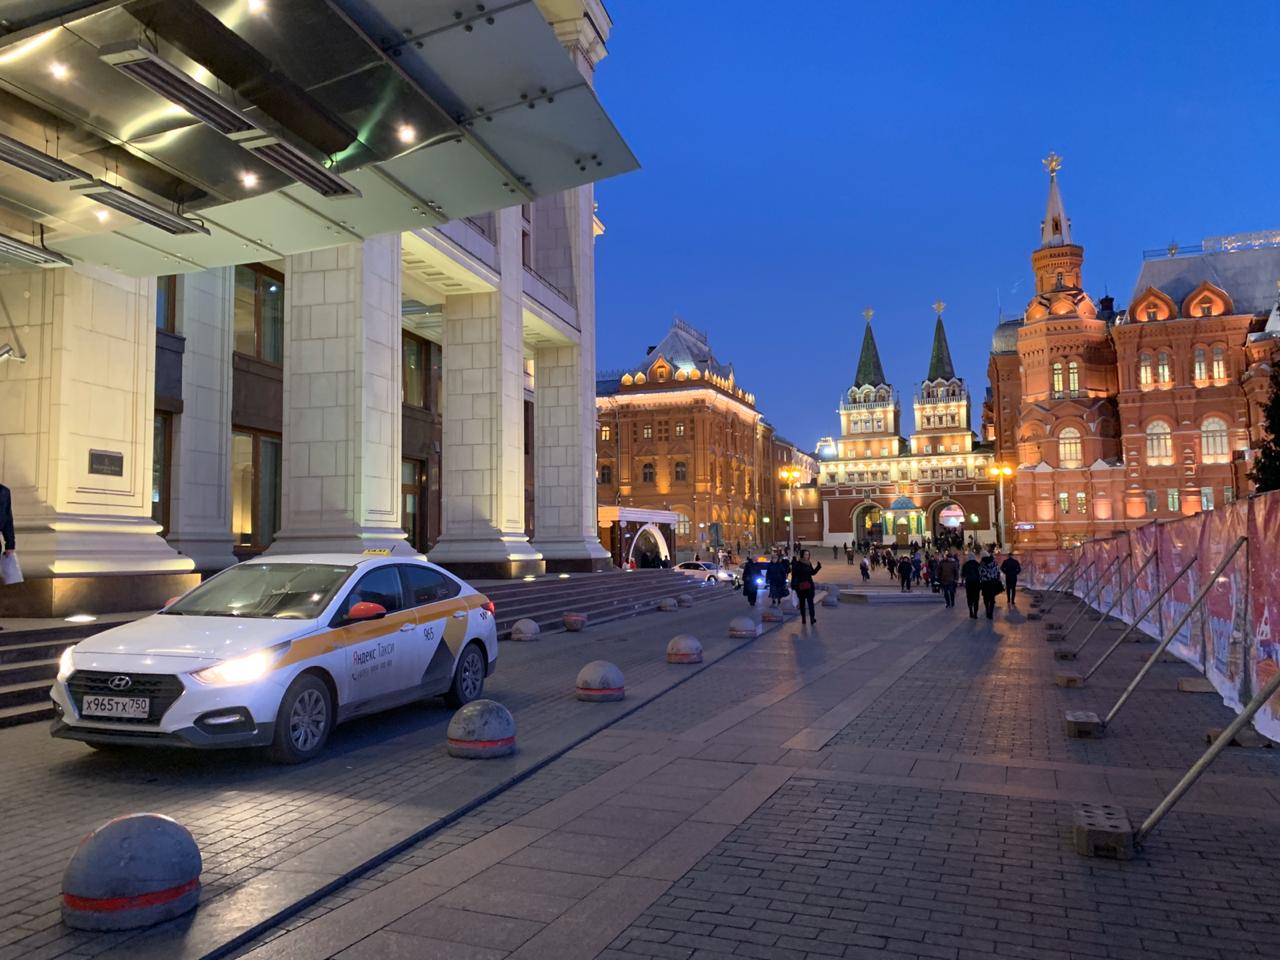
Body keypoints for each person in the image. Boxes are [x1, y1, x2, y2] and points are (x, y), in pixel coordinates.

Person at [791, 549, 822, 625]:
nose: (807, 556)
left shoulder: (809, 563)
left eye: (808, 554)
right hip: (801, 587)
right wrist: (793, 586)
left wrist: (818, 567)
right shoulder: (797, 564)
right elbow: (794, 576)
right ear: (802, 555)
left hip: (809, 586)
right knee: (802, 604)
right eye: (805, 554)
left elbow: (812, 573)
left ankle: (812, 618)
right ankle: (803, 618)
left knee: (811, 603)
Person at [979, 551, 1003, 619]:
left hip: (985, 583)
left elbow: (980, 573)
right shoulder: (994, 562)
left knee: (986, 597)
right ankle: (991, 613)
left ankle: (987, 610)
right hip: (993, 582)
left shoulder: (982, 564)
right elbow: (998, 572)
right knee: (992, 598)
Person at [961, 551, 981, 618]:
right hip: (976, 583)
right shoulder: (977, 564)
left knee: (969, 597)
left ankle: (970, 611)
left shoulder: (965, 565)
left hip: (969, 583)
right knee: (976, 598)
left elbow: (963, 575)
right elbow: (981, 574)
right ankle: (975, 613)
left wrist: (963, 581)